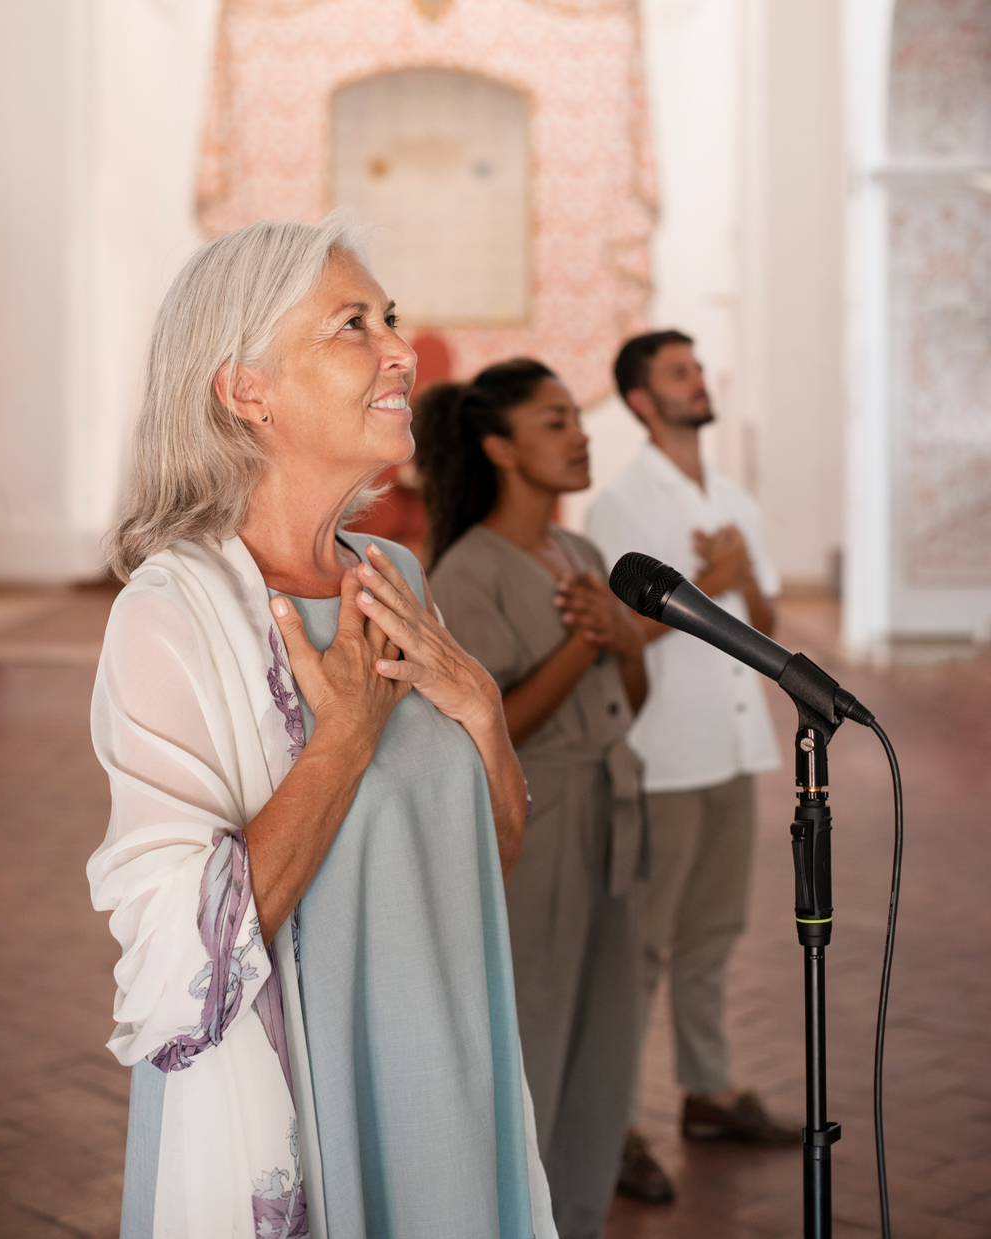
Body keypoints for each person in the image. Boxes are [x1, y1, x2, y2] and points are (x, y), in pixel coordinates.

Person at [87, 218, 558, 1239]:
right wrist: (342, 742)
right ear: (244, 387)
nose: (403, 351)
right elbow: (181, 957)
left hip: (454, 1087)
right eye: (354, 324)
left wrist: (478, 707)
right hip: (316, 1108)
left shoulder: (396, 581)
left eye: (390, 318)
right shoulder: (171, 616)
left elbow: (482, 862)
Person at [414, 360, 650, 1239]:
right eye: (555, 422)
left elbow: (632, 695)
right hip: (536, 821)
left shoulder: (584, 554)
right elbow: (493, 719)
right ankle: (518, 1218)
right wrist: (590, 643)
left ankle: (580, 1217)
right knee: (538, 1032)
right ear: (500, 447)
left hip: (615, 812)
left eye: (574, 419)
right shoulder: (468, 570)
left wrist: (622, 637)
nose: (580, 434)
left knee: (607, 1043)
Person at [585, 330, 799, 1202]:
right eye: (679, 373)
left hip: (735, 742)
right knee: (643, 949)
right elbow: (615, 632)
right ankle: (616, 1119)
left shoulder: (735, 496)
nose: (698, 382)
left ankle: (709, 1091)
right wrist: (707, 589)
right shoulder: (621, 507)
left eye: (699, 369)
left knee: (713, 938)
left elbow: (771, 619)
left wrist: (744, 575)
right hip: (664, 751)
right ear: (642, 399)